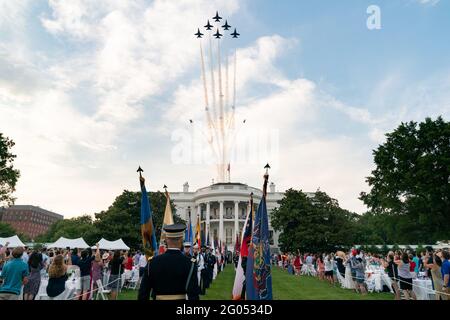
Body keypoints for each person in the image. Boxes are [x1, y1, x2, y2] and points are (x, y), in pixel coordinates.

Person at [138, 223, 200, 300]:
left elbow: (143, 293)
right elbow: (193, 294)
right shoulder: (190, 263)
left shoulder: (153, 262)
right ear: (181, 239)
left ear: (166, 239)